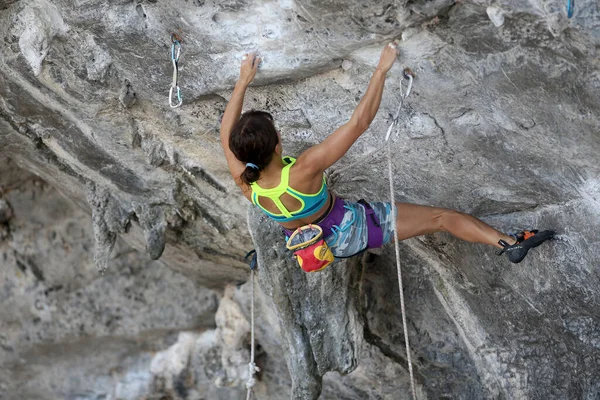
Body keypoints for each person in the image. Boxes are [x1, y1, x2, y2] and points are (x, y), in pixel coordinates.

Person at [219, 42, 553, 265]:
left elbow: (225, 135)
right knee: (443, 218)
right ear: (277, 144)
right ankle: (509, 244)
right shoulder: (304, 169)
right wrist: (380, 71)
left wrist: (242, 82)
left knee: (438, 222)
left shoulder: (246, 182)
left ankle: (510, 242)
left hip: (324, 247)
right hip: (355, 227)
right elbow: (358, 123)